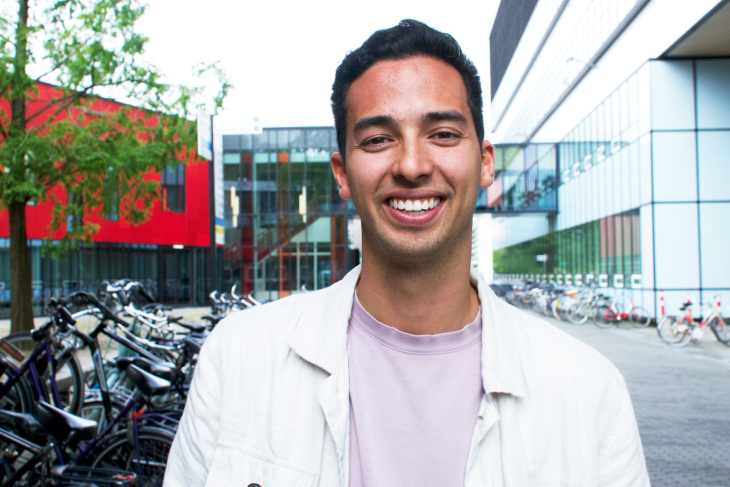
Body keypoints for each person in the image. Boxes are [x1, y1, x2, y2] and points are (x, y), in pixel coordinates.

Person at [164, 20, 649, 487]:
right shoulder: (239, 361)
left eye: (442, 134)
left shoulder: (588, 392)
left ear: (484, 163)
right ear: (342, 173)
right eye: (378, 139)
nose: (412, 166)